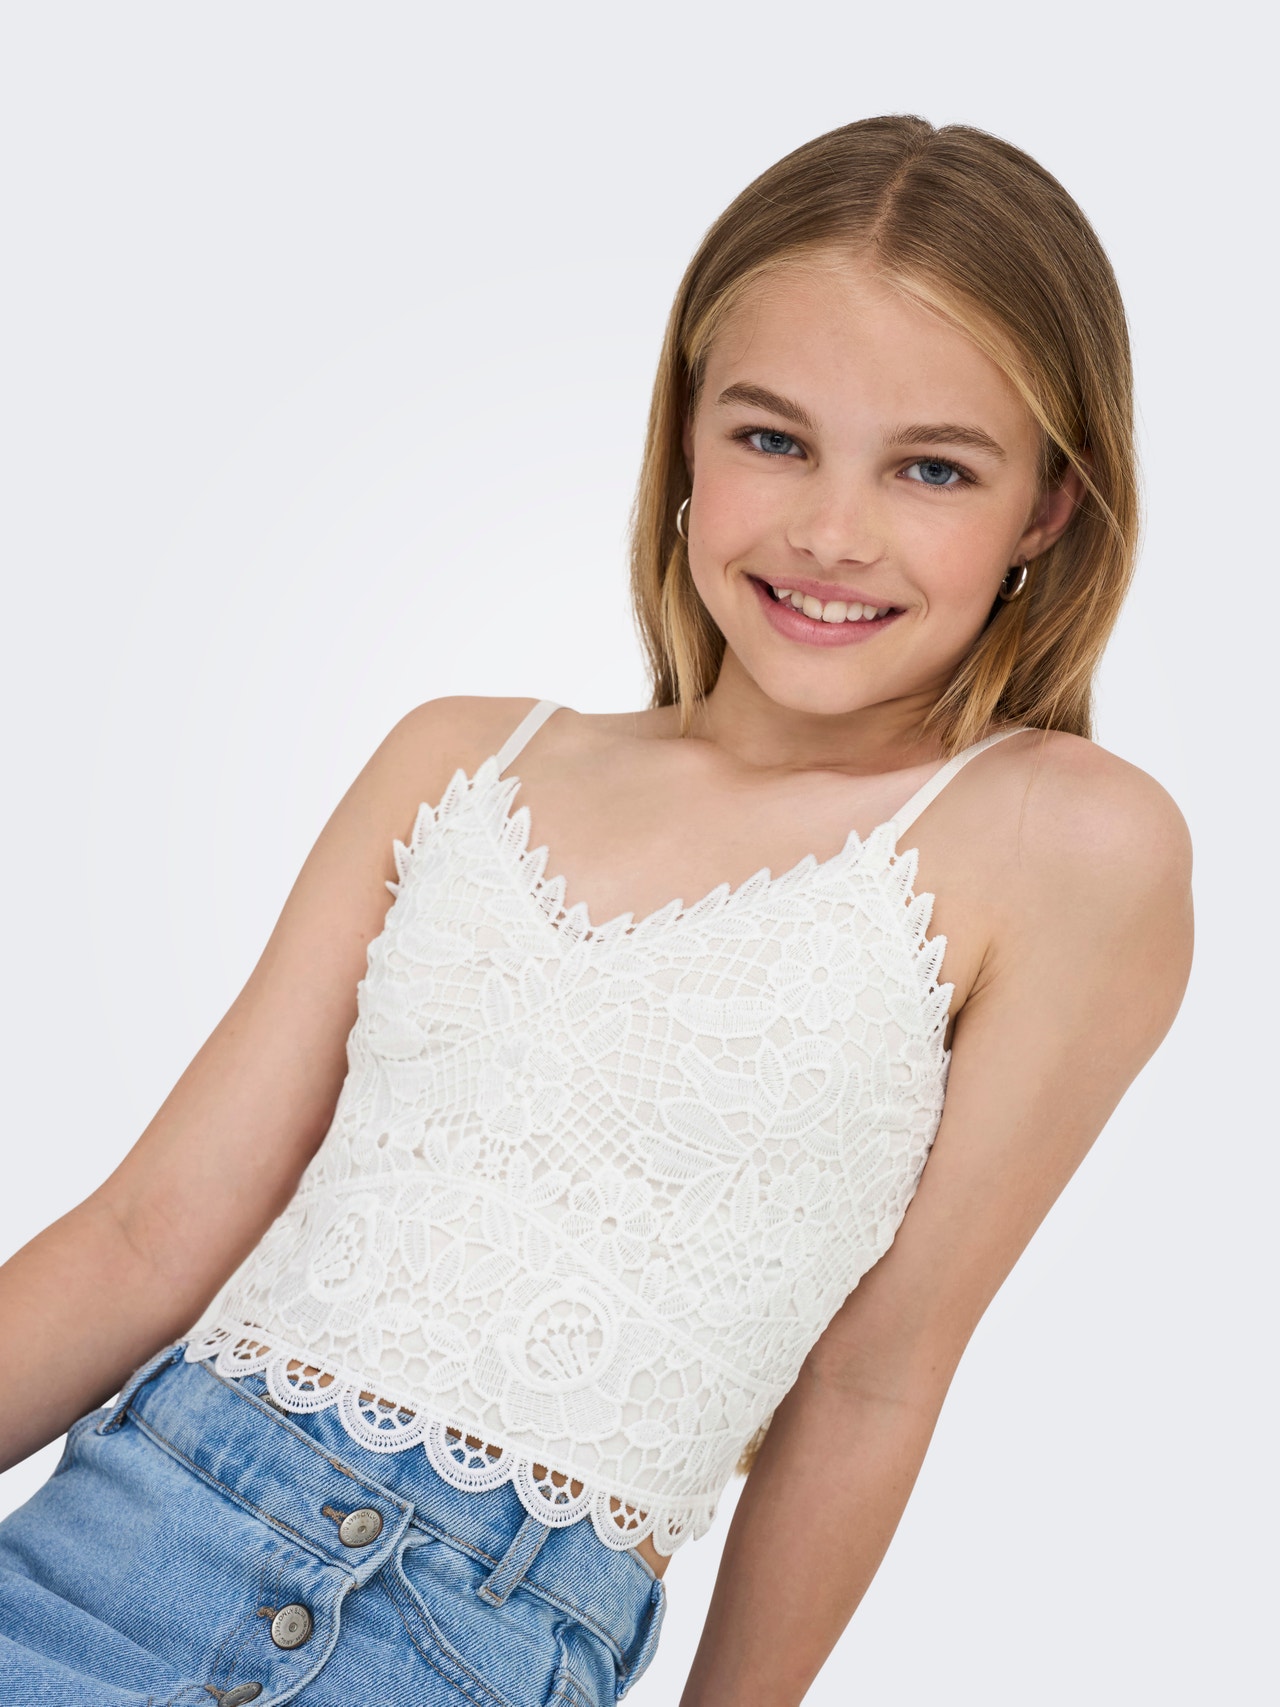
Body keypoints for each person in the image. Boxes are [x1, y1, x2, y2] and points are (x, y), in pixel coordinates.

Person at [0, 114, 1192, 1706]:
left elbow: (873, 1385)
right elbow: (150, 1233)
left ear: (1050, 505)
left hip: (450, 1648)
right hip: (101, 1540)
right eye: (773, 438)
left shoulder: (1063, 842)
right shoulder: (460, 757)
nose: (832, 532)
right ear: (686, 436)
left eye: (932, 469)